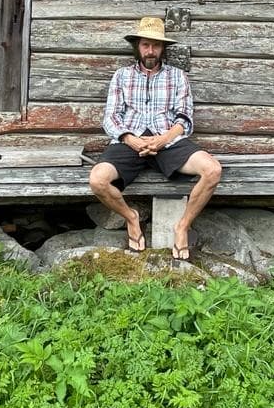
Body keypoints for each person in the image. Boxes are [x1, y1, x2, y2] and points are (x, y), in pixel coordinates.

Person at [88, 16, 223, 260]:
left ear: (163, 48)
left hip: (168, 141)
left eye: (156, 45)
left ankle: (182, 226)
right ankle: (131, 218)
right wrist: (130, 139)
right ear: (137, 47)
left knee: (212, 170)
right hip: (129, 142)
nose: (150, 51)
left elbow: (184, 118)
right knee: (98, 180)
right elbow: (111, 117)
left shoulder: (177, 76)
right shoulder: (121, 76)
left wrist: (163, 139)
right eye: (145, 45)